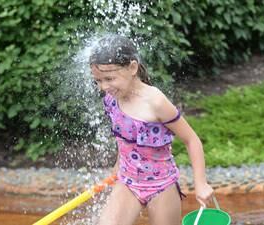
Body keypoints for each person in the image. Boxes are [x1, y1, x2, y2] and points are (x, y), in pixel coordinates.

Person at [89, 34, 213, 225]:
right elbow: (123, 137)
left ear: (132, 67)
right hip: (127, 180)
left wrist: (201, 183)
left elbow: (191, 140)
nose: (104, 86)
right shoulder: (111, 99)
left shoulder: (156, 102)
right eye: (98, 81)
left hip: (161, 184)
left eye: (109, 78)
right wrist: (118, 164)